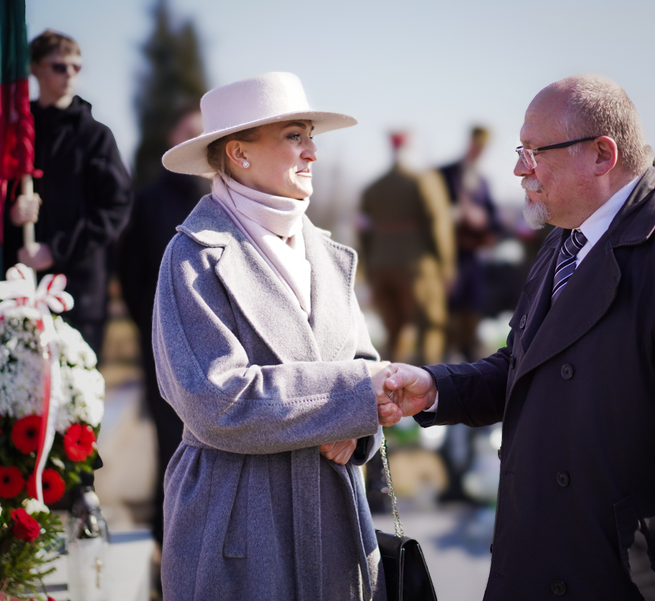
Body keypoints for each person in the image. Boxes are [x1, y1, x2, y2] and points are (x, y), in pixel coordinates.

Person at [381, 74, 655, 599]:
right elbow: (528, 363)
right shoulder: (567, 236)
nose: (519, 168)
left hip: (620, 579)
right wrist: (435, 388)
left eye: (534, 151)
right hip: (535, 565)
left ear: (601, 155)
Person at [152, 72, 395, 600]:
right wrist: (347, 401)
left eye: (311, 136)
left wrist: (358, 432)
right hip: (234, 523)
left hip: (334, 519)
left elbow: (365, 364)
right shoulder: (193, 256)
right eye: (294, 136)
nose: (312, 152)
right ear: (238, 153)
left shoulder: (328, 254)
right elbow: (214, 400)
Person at [5, 29, 132, 356]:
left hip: (81, 297)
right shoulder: (16, 134)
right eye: (60, 66)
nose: (70, 75)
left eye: (76, 67)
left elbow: (116, 208)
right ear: (35, 68)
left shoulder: (97, 136)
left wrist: (55, 250)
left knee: (77, 400)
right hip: (19, 290)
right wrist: (11, 214)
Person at [117, 102, 208, 550]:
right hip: (164, 343)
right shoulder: (148, 201)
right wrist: (153, 327)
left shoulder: (224, 200)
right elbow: (132, 273)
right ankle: (169, 536)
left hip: (221, 347)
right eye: (190, 133)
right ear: (176, 141)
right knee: (171, 441)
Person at [359, 131, 454, 365]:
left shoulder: (373, 187)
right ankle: (431, 389)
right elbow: (438, 224)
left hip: (380, 266)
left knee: (393, 332)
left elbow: (363, 230)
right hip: (417, 265)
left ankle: (390, 389)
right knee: (430, 326)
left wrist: (368, 267)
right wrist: (447, 264)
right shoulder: (423, 180)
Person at [438, 126, 502, 362]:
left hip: (473, 257)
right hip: (448, 254)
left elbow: (494, 217)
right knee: (447, 308)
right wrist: (458, 214)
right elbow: (432, 210)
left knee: (471, 305)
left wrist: (482, 218)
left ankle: (468, 354)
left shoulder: (483, 181)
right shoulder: (445, 173)